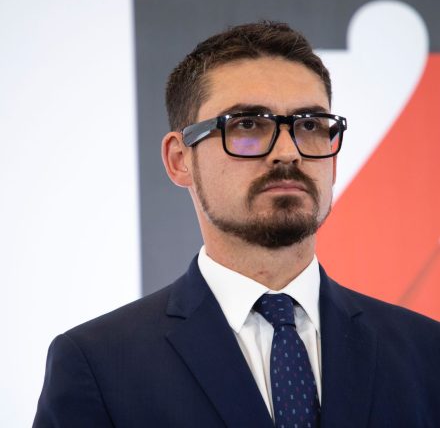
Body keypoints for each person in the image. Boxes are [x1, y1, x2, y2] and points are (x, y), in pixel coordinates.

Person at [33, 21, 439, 428]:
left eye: (310, 126)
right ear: (179, 159)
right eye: (247, 125)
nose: (288, 152)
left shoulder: (426, 352)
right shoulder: (98, 365)